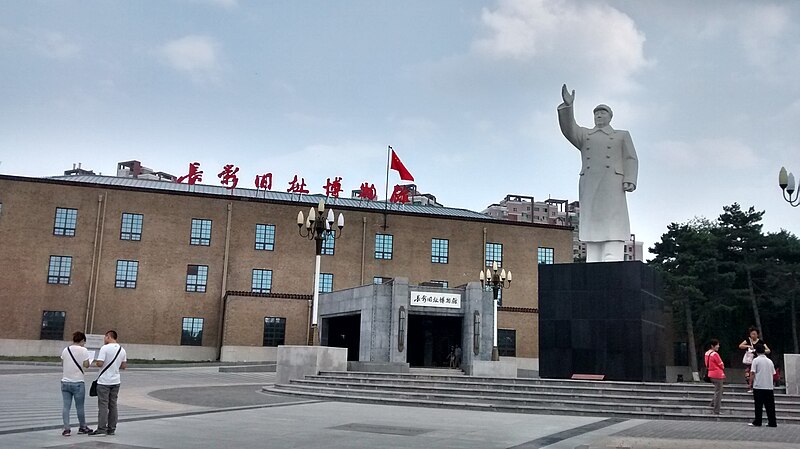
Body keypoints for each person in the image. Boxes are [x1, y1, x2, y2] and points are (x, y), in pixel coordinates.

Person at [558, 84, 639, 262]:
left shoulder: (621, 135)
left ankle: (612, 254)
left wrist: (630, 179)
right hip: (590, 183)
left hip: (612, 183)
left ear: (610, 117)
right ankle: (593, 255)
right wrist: (568, 107)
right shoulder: (585, 135)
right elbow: (569, 129)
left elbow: (631, 158)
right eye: (596, 113)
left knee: (613, 219)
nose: (599, 116)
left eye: (602, 113)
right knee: (593, 221)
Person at [89, 330, 127, 436]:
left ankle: (101, 429)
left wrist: (96, 361)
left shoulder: (104, 348)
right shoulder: (122, 349)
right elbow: (124, 366)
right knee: (113, 405)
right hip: (116, 381)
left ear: (109, 336)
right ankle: (111, 429)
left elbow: (100, 363)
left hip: (104, 382)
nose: (104, 339)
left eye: (105, 337)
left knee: (103, 406)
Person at [60, 331, 93, 436]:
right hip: (78, 382)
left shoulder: (66, 350)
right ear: (82, 340)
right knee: (80, 406)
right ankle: (82, 427)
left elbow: (63, 362)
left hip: (65, 382)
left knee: (66, 406)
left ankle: (66, 429)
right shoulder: (84, 350)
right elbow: (86, 365)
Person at [749, 342, 777, 427]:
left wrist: (750, 383)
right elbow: (773, 373)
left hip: (758, 386)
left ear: (756, 352)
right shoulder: (770, 361)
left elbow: (753, 373)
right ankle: (772, 422)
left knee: (758, 405)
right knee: (770, 406)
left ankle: (758, 421)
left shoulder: (756, 360)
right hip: (769, 386)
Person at [704, 339, 725, 415]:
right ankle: (716, 410)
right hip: (717, 374)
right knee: (719, 392)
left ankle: (713, 403)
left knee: (718, 390)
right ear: (713, 346)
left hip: (710, 374)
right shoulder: (715, 354)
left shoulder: (707, 353)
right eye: (717, 345)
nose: (718, 346)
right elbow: (721, 364)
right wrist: (722, 367)